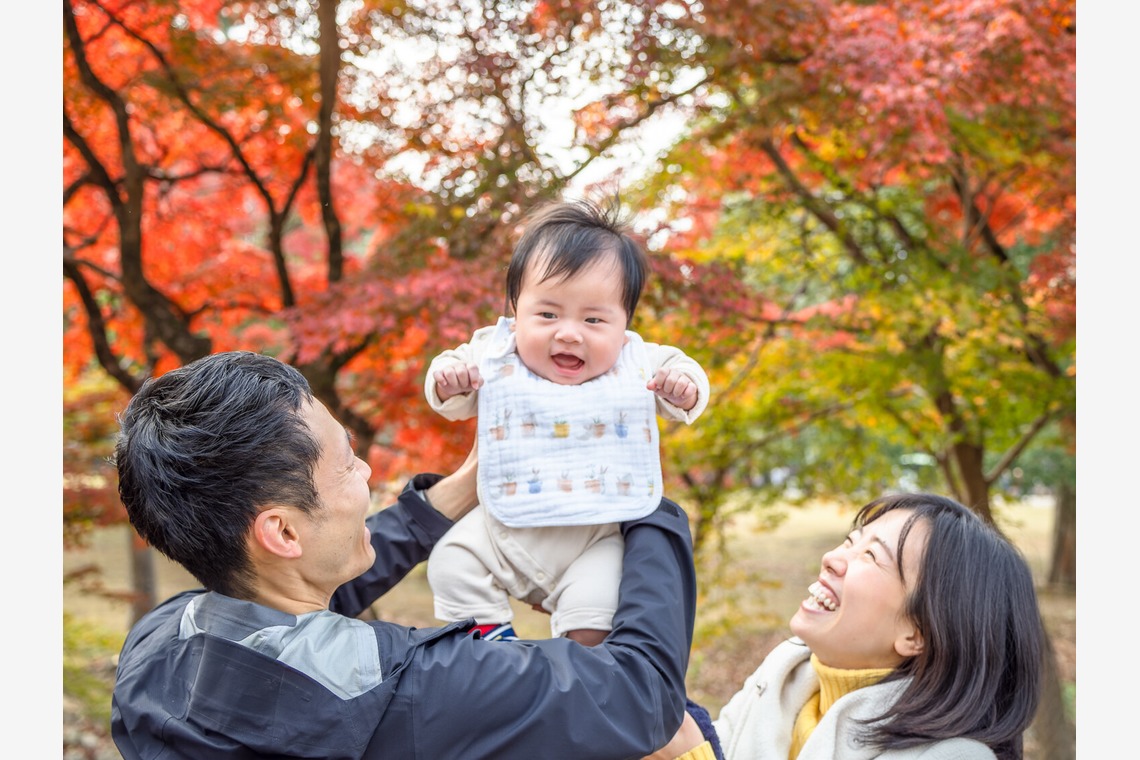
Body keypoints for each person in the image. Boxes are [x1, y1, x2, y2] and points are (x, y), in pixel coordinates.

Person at [110, 350, 699, 759]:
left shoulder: (154, 649)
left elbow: (294, 603)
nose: (368, 471)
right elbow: (640, 694)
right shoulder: (412, 689)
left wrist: (465, 485)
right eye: (347, 464)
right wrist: (645, 500)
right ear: (283, 532)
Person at [424, 197, 710, 646]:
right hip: (504, 530)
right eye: (547, 314)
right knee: (451, 561)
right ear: (515, 310)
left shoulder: (637, 363)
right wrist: (450, 380)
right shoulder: (495, 353)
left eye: (594, 319)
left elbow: (686, 375)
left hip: (595, 538)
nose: (569, 333)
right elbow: (450, 392)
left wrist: (683, 387)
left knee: (596, 610)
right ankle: (496, 649)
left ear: (625, 324)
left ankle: (576, 670)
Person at [650, 492, 1045, 760]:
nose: (832, 559)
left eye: (871, 556)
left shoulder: (952, 756)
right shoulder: (782, 678)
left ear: (918, 633)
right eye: (850, 541)